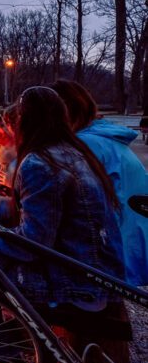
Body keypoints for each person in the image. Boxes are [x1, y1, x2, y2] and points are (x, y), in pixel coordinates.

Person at [0, 86, 125, 363]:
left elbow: (35, 243)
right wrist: (2, 210)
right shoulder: (71, 151)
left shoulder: (38, 163)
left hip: (78, 283)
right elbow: (45, 219)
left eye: (14, 123)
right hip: (94, 269)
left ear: (26, 123)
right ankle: (0, 334)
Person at [50, 79, 148, 286]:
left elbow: (71, 208)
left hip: (119, 251)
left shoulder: (86, 144)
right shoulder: (102, 138)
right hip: (135, 241)